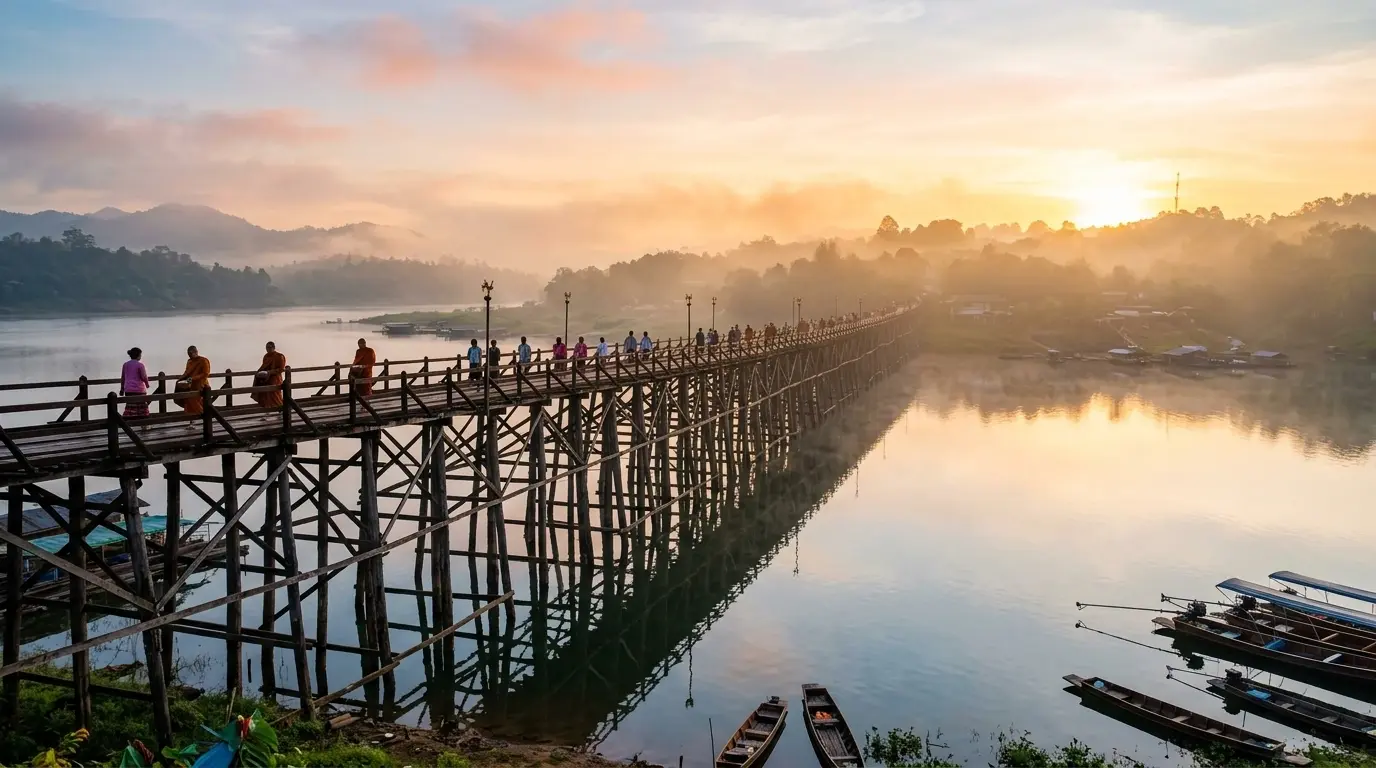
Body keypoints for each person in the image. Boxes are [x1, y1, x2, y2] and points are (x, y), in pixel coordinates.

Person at [175, 345, 211, 417]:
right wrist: (180, 379)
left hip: (201, 386)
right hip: (190, 387)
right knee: (188, 404)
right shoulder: (189, 361)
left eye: (191, 354)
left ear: (196, 352)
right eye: (188, 354)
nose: (190, 356)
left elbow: (206, 373)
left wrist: (193, 378)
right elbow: (187, 372)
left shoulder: (203, 360)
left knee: (198, 404)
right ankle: (191, 421)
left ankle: (204, 419)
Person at [252, 341, 286, 409]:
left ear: (273, 348)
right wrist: (259, 373)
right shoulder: (266, 356)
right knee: (265, 395)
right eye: (266, 347)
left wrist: (270, 372)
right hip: (266, 378)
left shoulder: (279, 356)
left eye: (269, 347)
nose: (268, 349)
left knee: (275, 395)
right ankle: (267, 410)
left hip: (275, 379)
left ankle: (280, 409)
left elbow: (281, 369)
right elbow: (264, 366)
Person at [120, 347, 150, 420]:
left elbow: (123, 377)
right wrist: (147, 384)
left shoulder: (125, 364)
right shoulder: (140, 365)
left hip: (128, 390)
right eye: (140, 354)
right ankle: (144, 425)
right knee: (142, 409)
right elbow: (143, 377)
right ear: (138, 355)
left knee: (130, 408)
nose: (141, 356)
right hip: (139, 390)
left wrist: (122, 389)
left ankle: (128, 425)